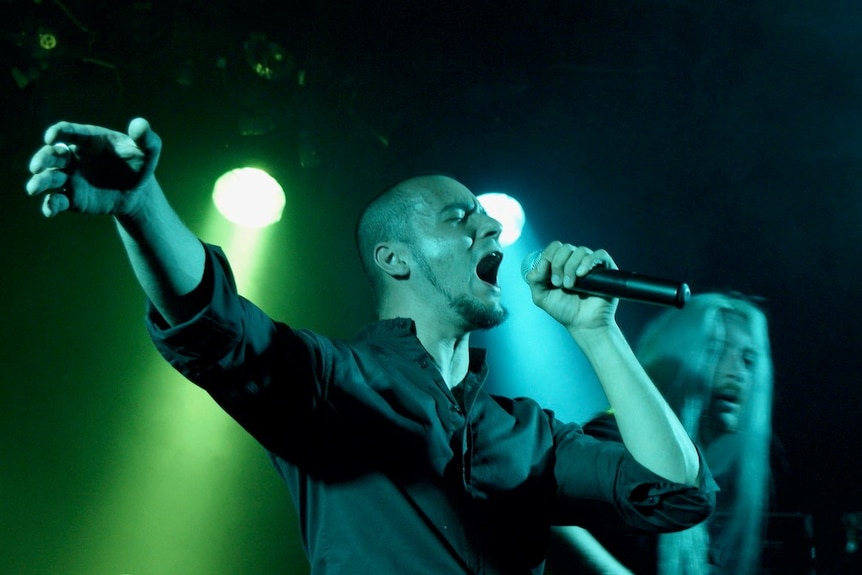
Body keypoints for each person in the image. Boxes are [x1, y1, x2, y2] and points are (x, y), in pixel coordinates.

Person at [25, 118, 717, 574]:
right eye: (460, 216)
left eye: (489, 217)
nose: (492, 231)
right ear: (395, 258)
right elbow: (220, 327)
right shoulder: (336, 382)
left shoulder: (530, 433)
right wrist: (142, 206)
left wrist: (597, 329)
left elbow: (677, 492)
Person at [547, 292, 775, 575]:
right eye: (717, 350)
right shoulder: (615, 436)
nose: (737, 372)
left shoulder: (694, 467)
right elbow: (550, 518)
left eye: (748, 360)